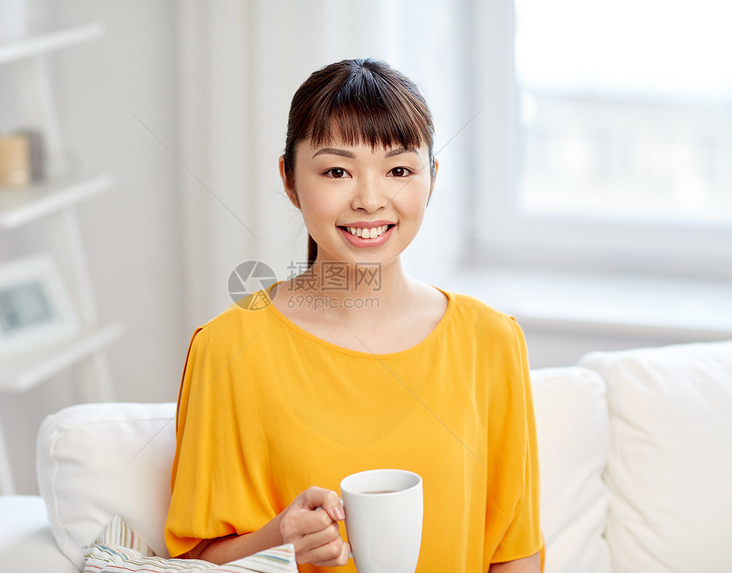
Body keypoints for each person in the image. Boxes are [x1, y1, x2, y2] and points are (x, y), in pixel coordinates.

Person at [164, 58, 544, 572]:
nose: (369, 200)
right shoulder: (227, 348)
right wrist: (277, 543)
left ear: (431, 179)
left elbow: (514, 552)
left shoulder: (493, 340)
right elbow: (194, 561)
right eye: (337, 171)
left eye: (399, 170)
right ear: (289, 179)